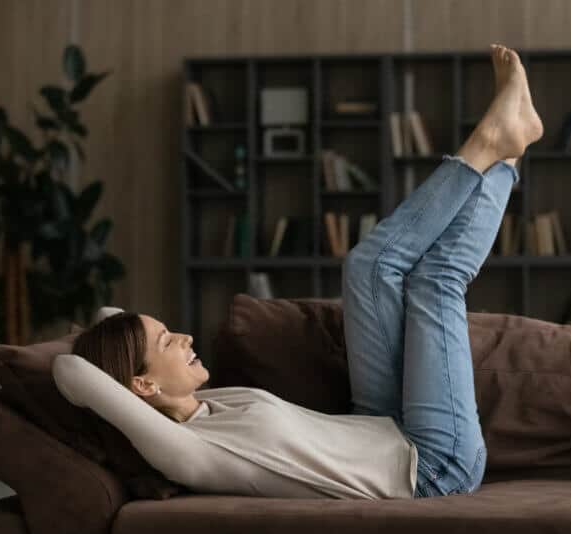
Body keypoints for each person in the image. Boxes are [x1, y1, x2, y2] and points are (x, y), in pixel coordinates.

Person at [63, 43, 543, 499]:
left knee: (367, 268)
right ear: (141, 387)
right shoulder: (191, 452)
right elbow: (74, 371)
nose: (185, 337)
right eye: (168, 340)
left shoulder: (206, 404)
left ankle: (505, 146)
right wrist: (114, 356)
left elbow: (110, 327)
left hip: (380, 422)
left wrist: (122, 338)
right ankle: (495, 149)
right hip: (432, 465)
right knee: (435, 281)